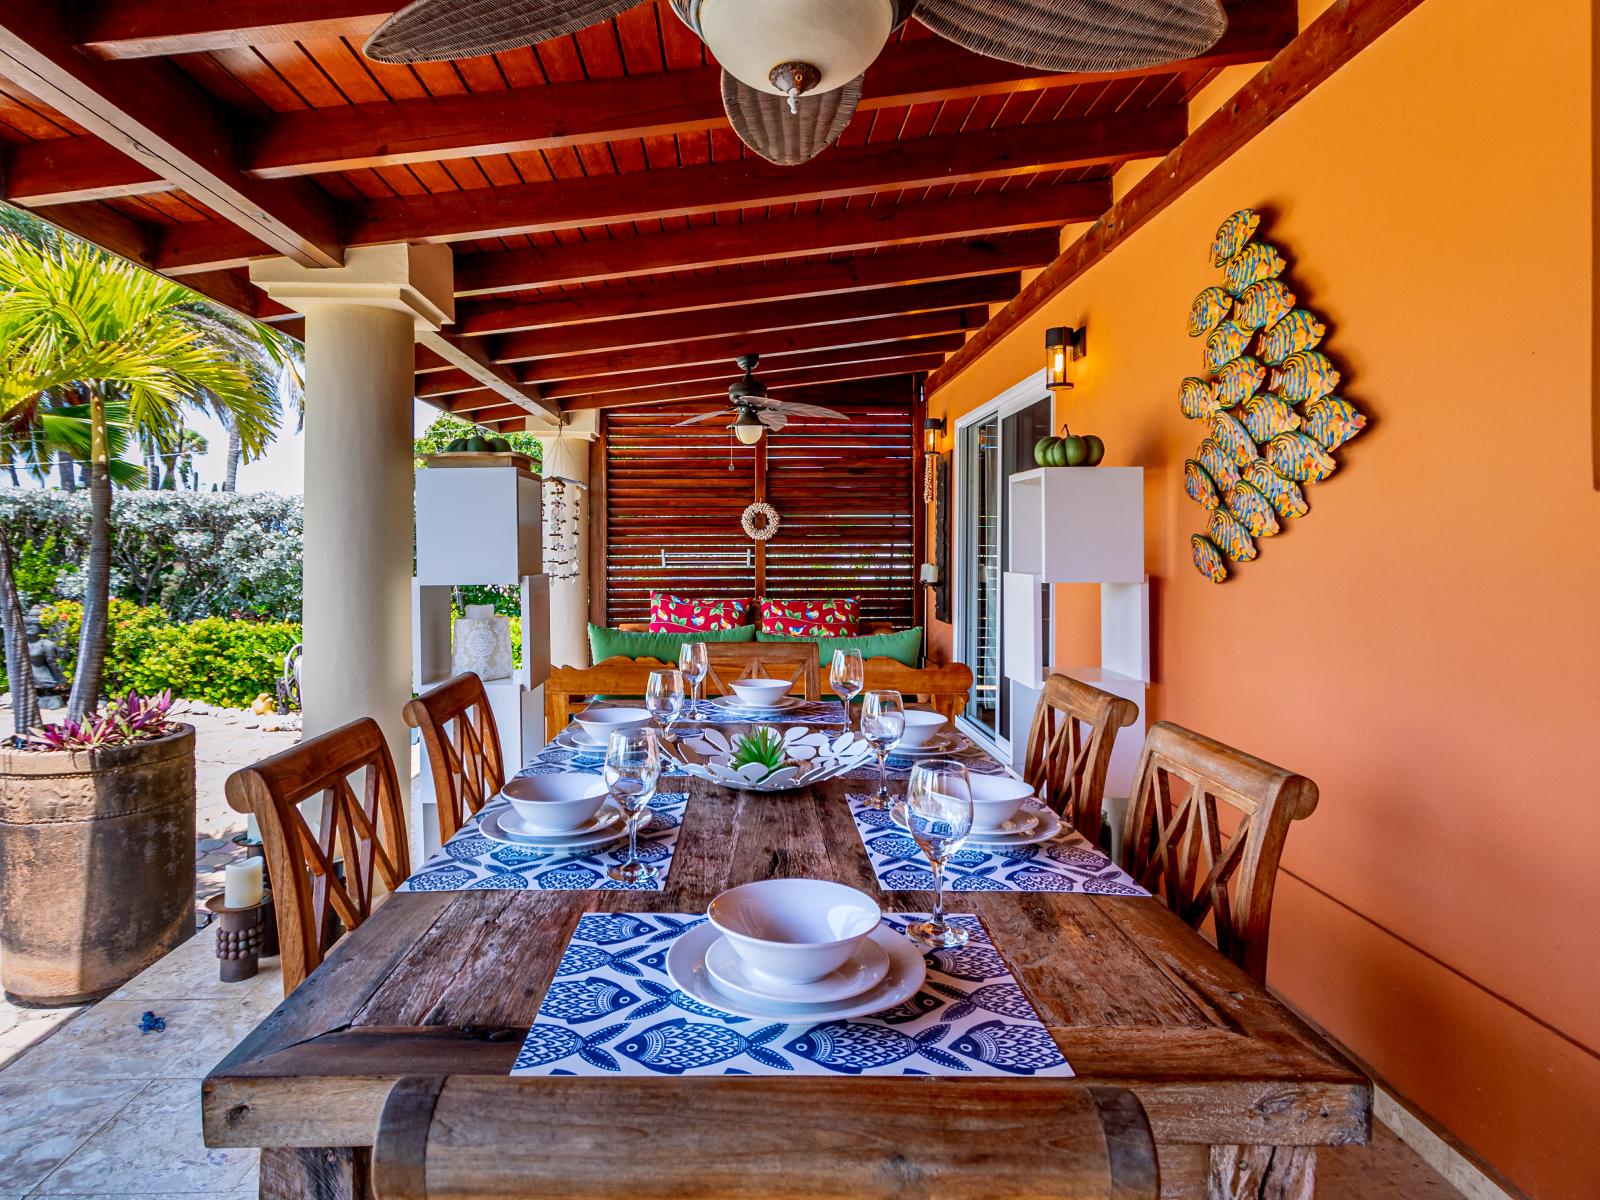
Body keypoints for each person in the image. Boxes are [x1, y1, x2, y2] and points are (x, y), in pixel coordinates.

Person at [25, 608, 66, 710]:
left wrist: (61, 679)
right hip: (28, 680)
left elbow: (53, 664)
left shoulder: (47, 644)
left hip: (45, 680)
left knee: (52, 700)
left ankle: (49, 696)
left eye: (33, 625)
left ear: (41, 627)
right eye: (27, 625)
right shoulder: (22, 644)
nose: (29, 628)